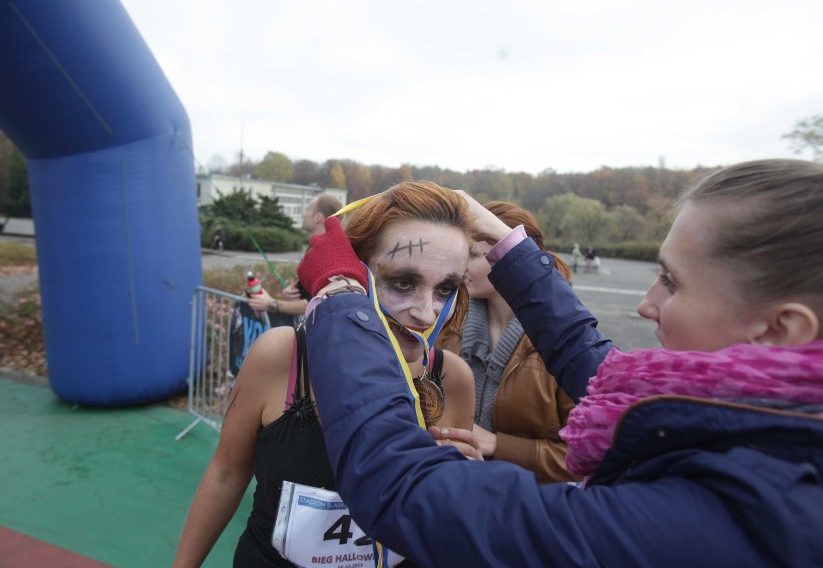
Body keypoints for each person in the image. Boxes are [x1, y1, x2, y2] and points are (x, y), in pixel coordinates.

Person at [296, 159, 823, 566]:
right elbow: (603, 372)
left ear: (780, 330)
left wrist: (343, 298)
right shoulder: (772, 428)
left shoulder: (748, 518)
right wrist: (508, 247)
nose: (646, 305)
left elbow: (405, 488)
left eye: (672, 281)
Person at [173, 181, 478, 567]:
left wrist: (462, 490)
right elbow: (226, 473)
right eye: (403, 283)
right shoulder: (283, 355)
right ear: (352, 271)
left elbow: (440, 529)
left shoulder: (451, 378)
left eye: (445, 289)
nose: (426, 312)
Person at [438, 201, 579, 483]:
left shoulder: (566, 341)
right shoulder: (446, 325)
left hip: (524, 508)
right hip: (452, 493)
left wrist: (497, 445)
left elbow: (588, 456)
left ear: (512, 261)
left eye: (474, 255)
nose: (461, 267)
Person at [245, 193, 342, 322]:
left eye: (307, 210)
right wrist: (295, 293)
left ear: (318, 217)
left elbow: (316, 303)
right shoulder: (318, 248)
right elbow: (309, 296)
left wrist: (272, 304)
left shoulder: (327, 253)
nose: (303, 214)